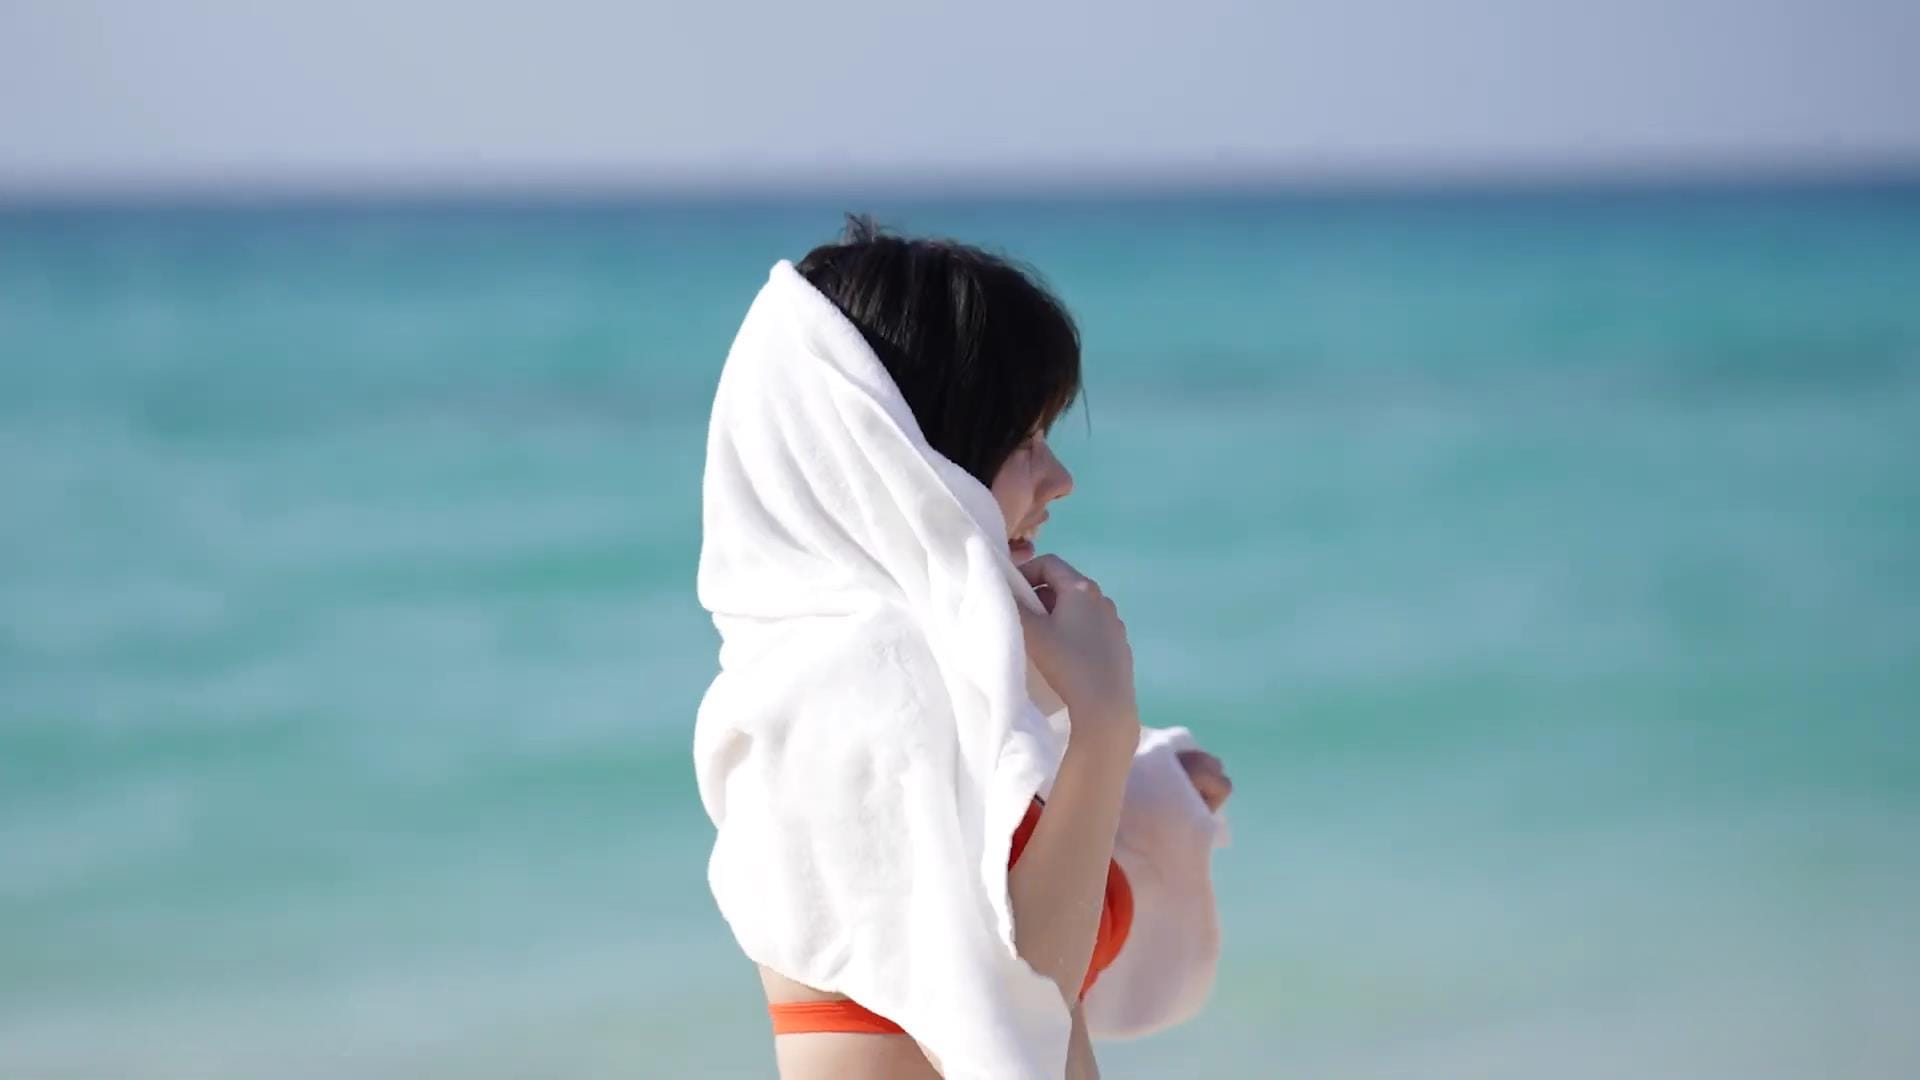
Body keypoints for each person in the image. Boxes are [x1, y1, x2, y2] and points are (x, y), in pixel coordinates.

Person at [704, 216, 1231, 1079]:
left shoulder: (899, 672)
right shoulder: (862, 685)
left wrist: (1142, 789)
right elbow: (1021, 1001)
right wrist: (1101, 723)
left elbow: (993, 922)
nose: (1059, 479)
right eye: (1022, 442)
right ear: (902, 458)